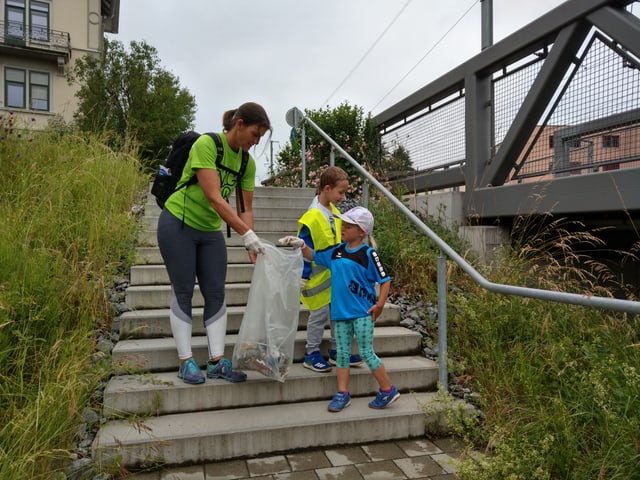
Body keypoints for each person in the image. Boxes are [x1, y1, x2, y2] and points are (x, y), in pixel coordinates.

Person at [157, 102, 270, 385]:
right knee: (183, 292)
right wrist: (245, 233)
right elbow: (215, 197)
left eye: (260, 138)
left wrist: (249, 240)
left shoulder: (246, 162)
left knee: (216, 293)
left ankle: (217, 361)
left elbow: (245, 208)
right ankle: (186, 362)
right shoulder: (207, 144)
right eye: (255, 134)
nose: (256, 142)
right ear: (240, 124)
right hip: (178, 223)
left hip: (209, 231)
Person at [279, 206, 400, 412]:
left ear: (361, 231)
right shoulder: (336, 251)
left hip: (363, 313)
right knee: (342, 354)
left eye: (348, 225)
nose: (342, 228)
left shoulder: (369, 253)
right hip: (340, 315)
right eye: (342, 224)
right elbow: (313, 255)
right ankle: (342, 393)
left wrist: (379, 305)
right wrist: (300, 243)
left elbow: (385, 280)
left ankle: (388, 390)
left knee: (366, 353)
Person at [297, 166, 362, 372]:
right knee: (317, 318)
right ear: (327, 188)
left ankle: (336, 351)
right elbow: (304, 247)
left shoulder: (334, 212)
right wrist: (303, 276)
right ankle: (311, 353)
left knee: (338, 315)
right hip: (317, 281)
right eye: (340, 192)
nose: (343, 197)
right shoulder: (312, 216)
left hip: (335, 278)